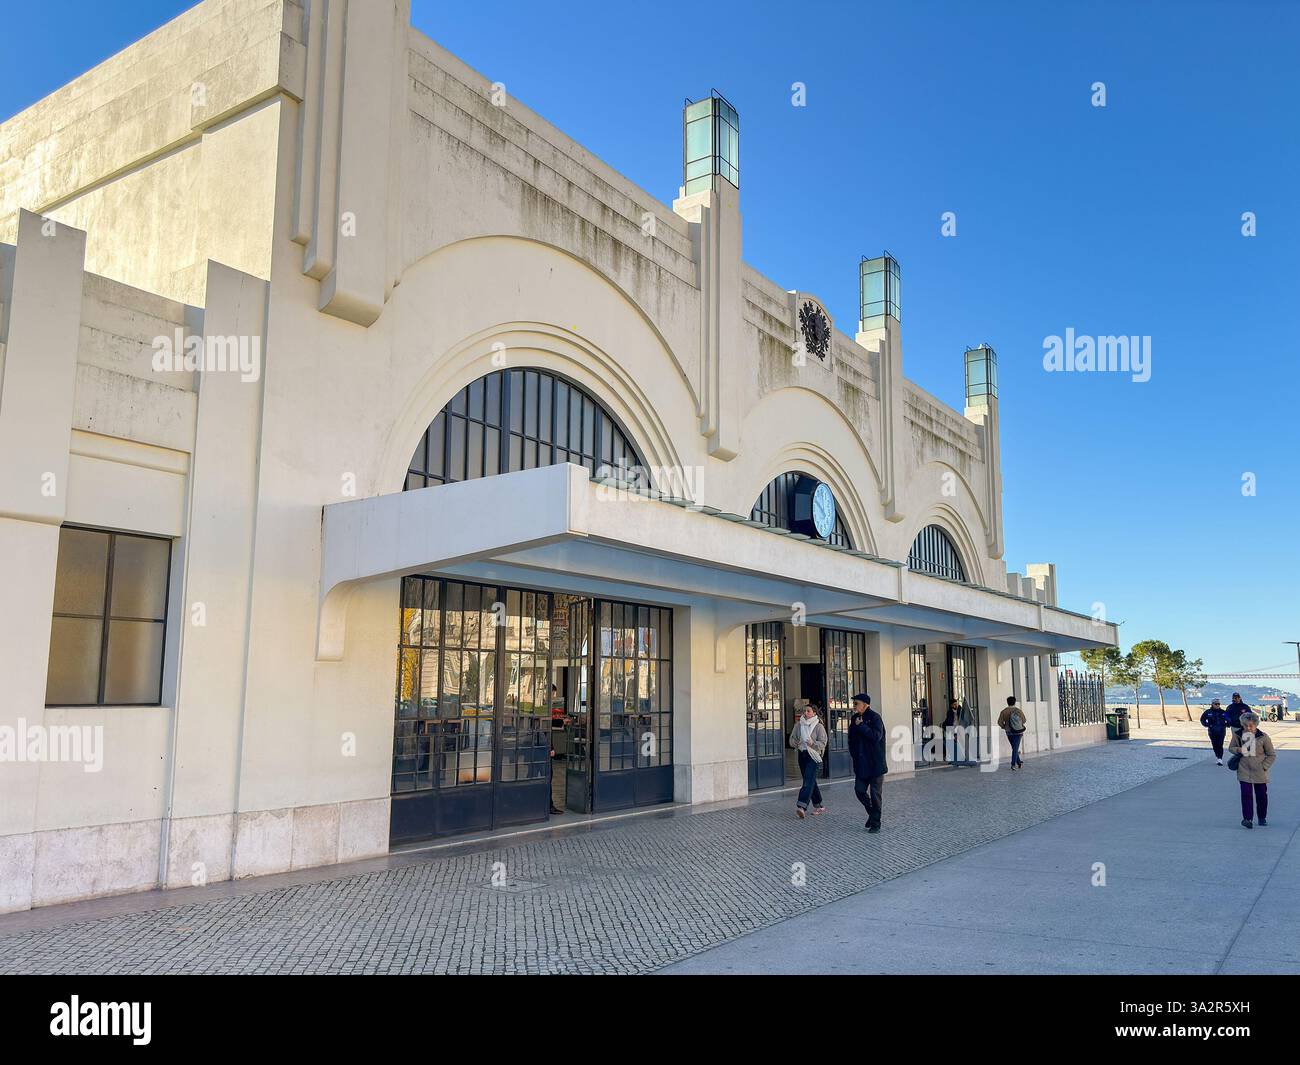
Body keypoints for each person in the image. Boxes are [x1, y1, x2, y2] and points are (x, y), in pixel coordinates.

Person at [1229, 711, 1277, 828]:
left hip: (1259, 771)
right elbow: (1231, 747)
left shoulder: (1264, 737)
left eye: (1250, 725)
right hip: (1244, 770)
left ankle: (1262, 817)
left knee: (1261, 796)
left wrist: (1264, 766)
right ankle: (1247, 819)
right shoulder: (1238, 735)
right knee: (1246, 795)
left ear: (1256, 724)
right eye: (1245, 725)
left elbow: (1271, 755)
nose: (1248, 728)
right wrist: (1238, 750)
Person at [848, 693, 888, 833]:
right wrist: (854, 755)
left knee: (875, 794)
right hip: (861, 764)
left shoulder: (875, 718)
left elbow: (876, 736)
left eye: (856, 703)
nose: (854, 706)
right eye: (854, 704)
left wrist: (862, 726)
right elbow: (851, 740)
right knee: (859, 790)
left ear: (866, 704)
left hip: (875, 763)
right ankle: (872, 814)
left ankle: (876, 823)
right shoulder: (854, 719)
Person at [788, 702, 827, 819]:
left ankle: (801, 806)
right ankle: (819, 805)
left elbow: (823, 743)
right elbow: (791, 739)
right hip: (802, 755)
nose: (805, 713)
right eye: (804, 711)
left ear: (814, 713)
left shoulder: (819, 726)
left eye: (808, 711)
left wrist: (813, 743)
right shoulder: (798, 725)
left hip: (814, 756)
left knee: (807, 782)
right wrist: (796, 743)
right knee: (810, 780)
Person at [997, 695, 1027, 770]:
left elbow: (999, 722)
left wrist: (1004, 727)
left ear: (1007, 703)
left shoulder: (1004, 711)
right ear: (1014, 702)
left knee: (1014, 747)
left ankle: (1019, 762)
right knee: (1015, 748)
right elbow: (1024, 720)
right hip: (1018, 732)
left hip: (1009, 732)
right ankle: (1013, 764)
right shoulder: (1018, 711)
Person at [1200, 698, 1228, 765]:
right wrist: (1207, 725)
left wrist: (1227, 724)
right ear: (1212, 704)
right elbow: (1202, 719)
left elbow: (1228, 719)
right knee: (1215, 745)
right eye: (1216, 704)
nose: (1217, 705)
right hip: (1212, 731)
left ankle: (1220, 759)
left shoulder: (1223, 712)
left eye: (1218, 704)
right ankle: (1218, 757)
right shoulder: (1208, 712)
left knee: (1220, 745)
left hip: (1221, 731)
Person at [942, 698, 960, 762]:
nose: (956, 705)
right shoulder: (949, 712)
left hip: (957, 728)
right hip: (949, 729)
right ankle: (948, 758)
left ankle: (956, 757)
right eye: (954, 704)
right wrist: (953, 733)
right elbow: (949, 723)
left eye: (957, 704)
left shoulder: (959, 711)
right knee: (949, 743)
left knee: (958, 743)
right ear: (951, 705)